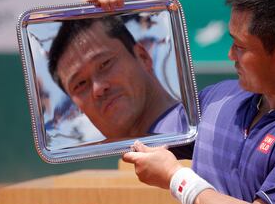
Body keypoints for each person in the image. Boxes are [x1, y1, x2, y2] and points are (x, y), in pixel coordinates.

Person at [85, 0, 275, 204]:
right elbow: (133, 128)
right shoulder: (220, 98)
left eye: (240, 46)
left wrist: (177, 179)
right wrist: (114, 21)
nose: (231, 55)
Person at [48, 16, 183, 140]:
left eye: (105, 64)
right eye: (80, 84)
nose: (98, 88)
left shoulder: (203, 116)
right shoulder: (96, 165)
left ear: (143, 57)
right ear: (77, 107)